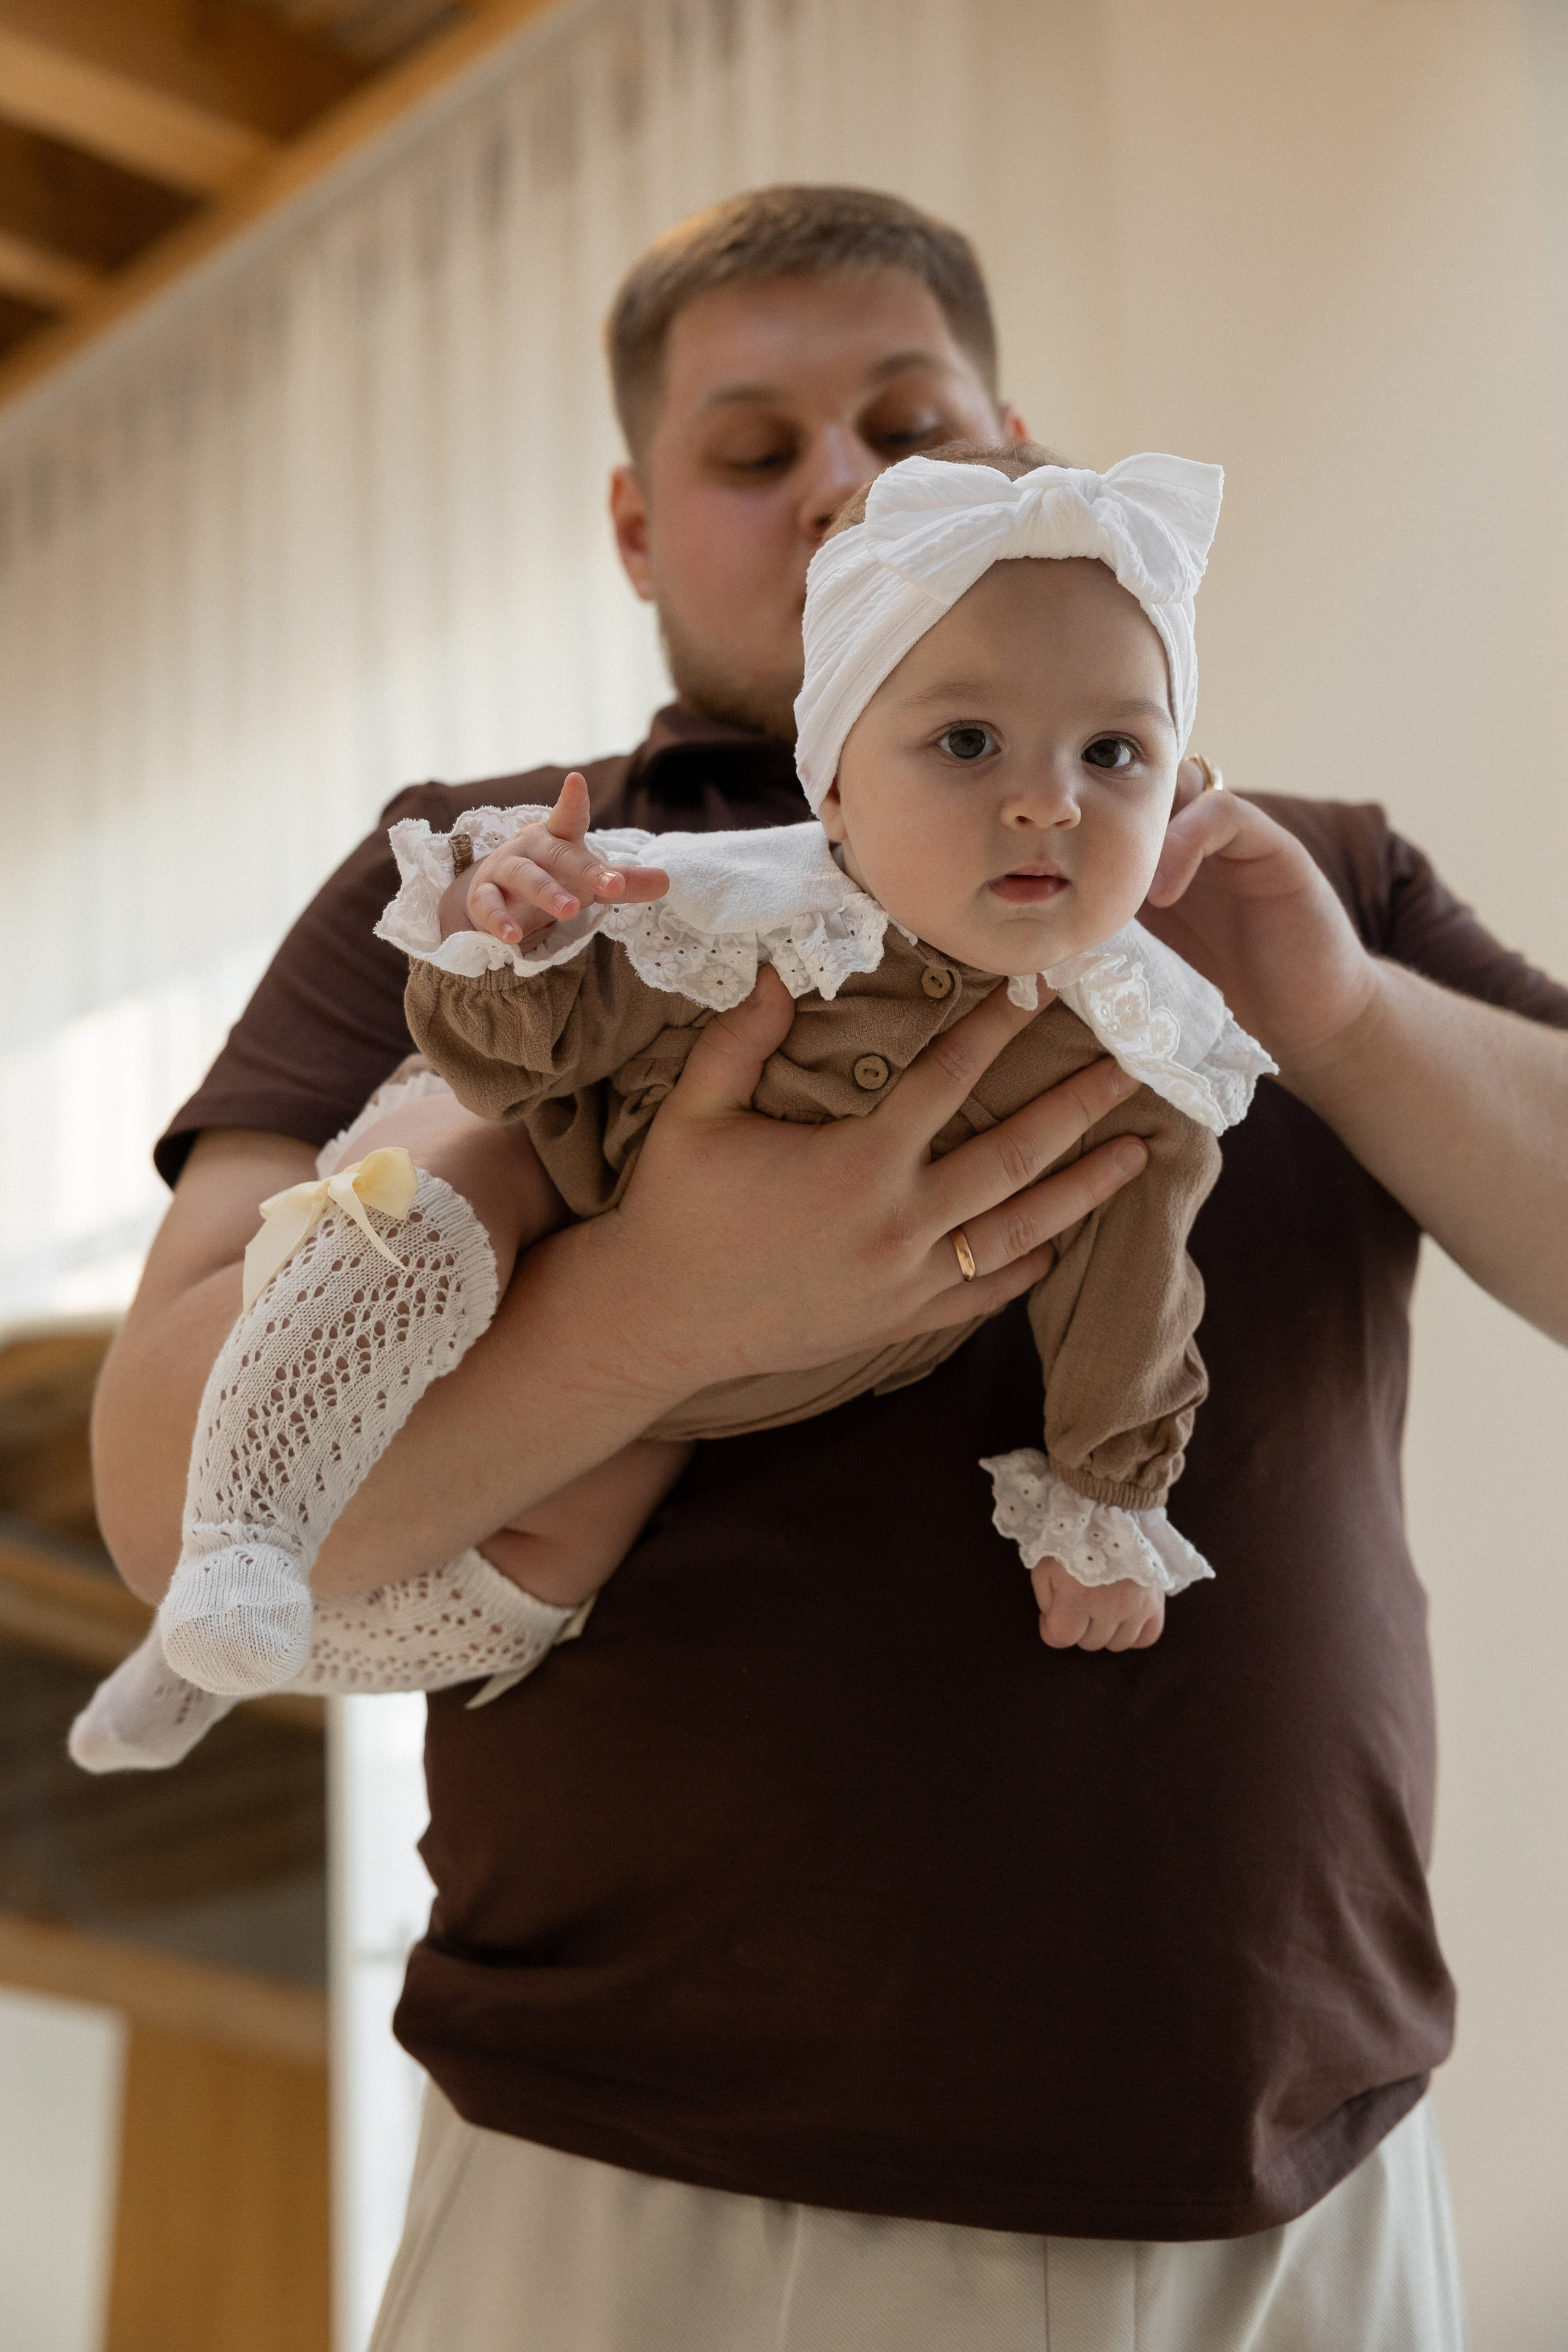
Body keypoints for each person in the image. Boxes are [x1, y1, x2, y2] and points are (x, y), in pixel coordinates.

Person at [89, 186, 1568, 2348]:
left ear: (1020, 448)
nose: (843, 485)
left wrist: (1338, 1016)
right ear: (633, 520)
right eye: (751, 447)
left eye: (904, 418)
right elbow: (169, 1489)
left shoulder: (1288, 888)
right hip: (628, 2197)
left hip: (1285, 2196)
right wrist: (675, 1315)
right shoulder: (526, 887)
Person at [78, 440, 1273, 1764]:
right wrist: (520, 934)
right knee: (446, 1187)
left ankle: (207, 1667)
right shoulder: (741, 904)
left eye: (1113, 751)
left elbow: (1133, 1307)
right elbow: (521, 1058)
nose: (1047, 800)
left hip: (706, 1396)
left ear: (1177, 796)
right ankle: (239, 1540)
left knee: (571, 1529)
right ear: (833, 782)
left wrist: (1106, 1501)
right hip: (552, 1154)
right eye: (968, 742)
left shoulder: (1141, 1062)